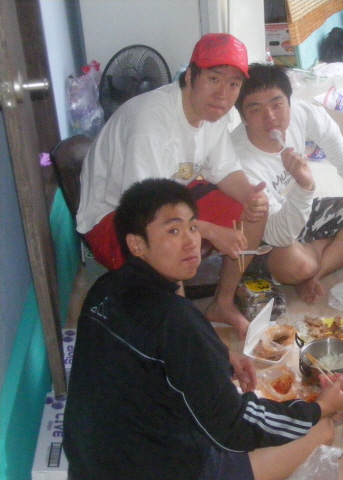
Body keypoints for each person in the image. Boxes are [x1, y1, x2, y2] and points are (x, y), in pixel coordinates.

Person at [63, 178, 343, 480]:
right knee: (321, 431)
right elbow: (235, 427)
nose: (191, 242)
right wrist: (319, 407)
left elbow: (156, 358)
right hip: (153, 468)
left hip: (88, 461)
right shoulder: (176, 319)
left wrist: (219, 356)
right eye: (173, 231)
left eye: (192, 226)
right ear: (136, 244)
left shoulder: (104, 288)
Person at [76, 33, 268, 339]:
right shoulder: (151, 121)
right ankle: (183, 329)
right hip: (115, 218)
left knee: (252, 210)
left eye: (233, 84)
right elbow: (146, 213)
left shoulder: (214, 113)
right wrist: (209, 231)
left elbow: (224, 169)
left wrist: (250, 196)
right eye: (214, 79)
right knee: (173, 238)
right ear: (190, 76)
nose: (222, 94)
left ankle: (222, 303)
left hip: (169, 199)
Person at [231, 63, 343, 303]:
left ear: (289, 103)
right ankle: (314, 261)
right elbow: (278, 236)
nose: (270, 117)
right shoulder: (239, 163)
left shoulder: (299, 113)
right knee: (298, 265)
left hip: (301, 211)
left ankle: (316, 273)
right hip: (267, 233)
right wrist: (304, 186)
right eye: (256, 109)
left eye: (277, 104)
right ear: (243, 117)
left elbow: (329, 133)